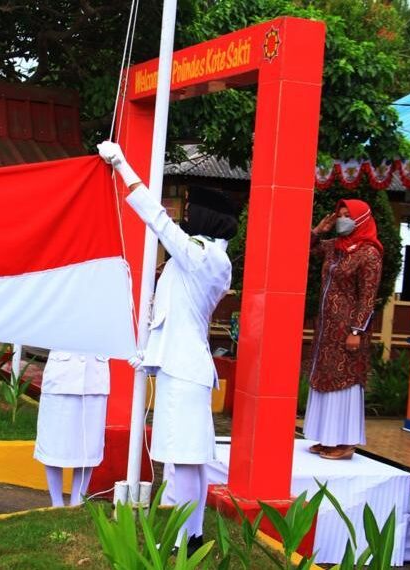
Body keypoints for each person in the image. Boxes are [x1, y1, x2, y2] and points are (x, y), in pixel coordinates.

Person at [98, 141, 236, 557]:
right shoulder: (197, 256)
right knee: (186, 460)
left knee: (184, 461)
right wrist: (151, 354)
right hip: (179, 366)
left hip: (187, 371)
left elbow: (157, 221)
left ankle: (183, 539)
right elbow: (172, 315)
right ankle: (190, 535)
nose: (185, 215)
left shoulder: (207, 257)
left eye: (191, 209)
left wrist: (124, 166)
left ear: (206, 217)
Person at [304, 199, 383, 460]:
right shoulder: (334, 248)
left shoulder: (369, 253)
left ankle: (345, 442)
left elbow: (368, 297)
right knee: (325, 379)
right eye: (340, 214)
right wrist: (319, 230)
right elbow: (302, 249)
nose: (342, 219)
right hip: (327, 330)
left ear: (362, 219)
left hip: (349, 330)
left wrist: (357, 331)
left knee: (344, 381)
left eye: (348, 215)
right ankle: (327, 438)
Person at [35, 351, 109, 507]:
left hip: (94, 377)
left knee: (88, 446)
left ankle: (78, 502)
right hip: (60, 376)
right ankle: (57, 504)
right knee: (53, 443)